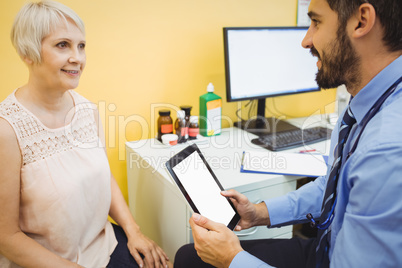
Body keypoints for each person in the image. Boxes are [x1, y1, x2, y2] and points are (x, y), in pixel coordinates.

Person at [174, 0, 402, 267]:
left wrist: (232, 260)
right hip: (329, 245)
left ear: (361, 21)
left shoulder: (386, 150)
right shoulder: (363, 104)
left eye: (316, 22)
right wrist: (257, 213)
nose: (306, 41)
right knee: (188, 256)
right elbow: (334, 188)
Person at [0, 1, 172, 267]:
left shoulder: (87, 110)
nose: (77, 58)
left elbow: (104, 176)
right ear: (28, 53)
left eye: (81, 46)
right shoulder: (7, 130)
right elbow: (6, 237)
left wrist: (134, 231)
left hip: (102, 245)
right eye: (62, 45)